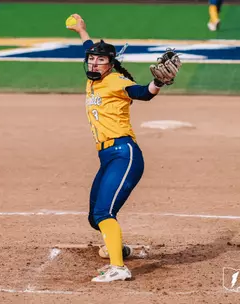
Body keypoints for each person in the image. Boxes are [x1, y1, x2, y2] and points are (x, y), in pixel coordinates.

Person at [66, 14, 182, 283]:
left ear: (110, 65)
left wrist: (160, 82)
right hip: (107, 156)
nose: (94, 62)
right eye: (92, 59)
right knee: (95, 218)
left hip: (124, 154)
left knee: (104, 213)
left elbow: (143, 92)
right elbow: (90, 49)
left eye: (101, 60)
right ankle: (118, 249)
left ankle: (118, 267)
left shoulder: (116, 81)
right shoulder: (93, 78)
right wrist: (81, 31)